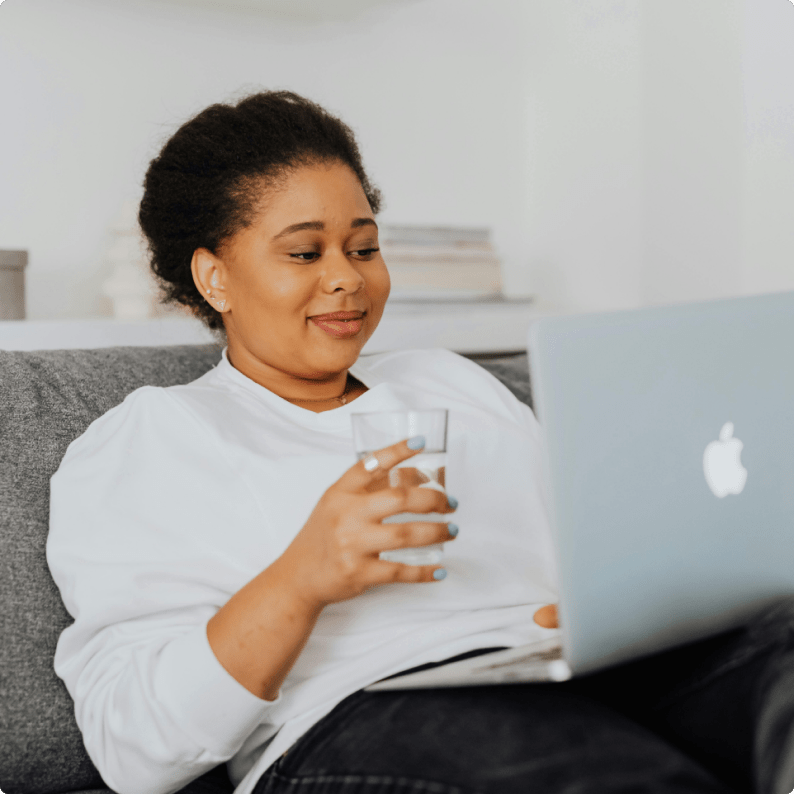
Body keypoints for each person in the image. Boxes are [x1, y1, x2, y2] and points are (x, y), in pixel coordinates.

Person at [46, 90, 794, 794]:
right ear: (214, 277)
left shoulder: (448, 382)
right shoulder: (151, 438)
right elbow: (134, 748)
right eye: (306, 254)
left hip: (553, 676)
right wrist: (301, 578)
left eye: (363, 248)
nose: (347, 279)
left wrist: (598, 605)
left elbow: (576, 551)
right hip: (353, 715)